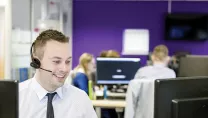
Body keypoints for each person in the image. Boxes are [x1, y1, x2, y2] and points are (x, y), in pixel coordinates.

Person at [19, 29, 97, 118]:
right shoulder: (15, 98)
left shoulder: (81, 99)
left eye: (68, 61)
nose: (64, 69)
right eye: (56, 61)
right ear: (36, 61)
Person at [125, 45, 176, 118]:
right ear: (167, 58)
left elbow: (132, 95)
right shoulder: (171, 74)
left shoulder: (142, 71)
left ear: (152, 57)